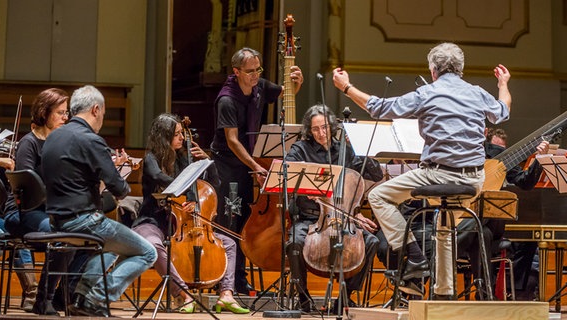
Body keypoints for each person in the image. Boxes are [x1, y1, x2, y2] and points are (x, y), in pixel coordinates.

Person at [333, 42, 512, 298]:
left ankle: (415, 258)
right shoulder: (477, 92)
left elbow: (378, 107)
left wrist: (347, 88)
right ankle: (443, 294)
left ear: (433, 71)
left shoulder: (427, 94)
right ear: (461, 70)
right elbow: (503, 110)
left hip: (439, 174)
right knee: (444, 225)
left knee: (378, 196)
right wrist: (503, 83)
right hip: (474, 180)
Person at [41, 85, 157, 317]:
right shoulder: (91, 140)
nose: (102, 118)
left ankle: (82, 299)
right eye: (102, 114)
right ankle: (96, 298)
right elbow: (120, 189)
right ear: (96, 109)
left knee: (111, 249)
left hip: (56, 220)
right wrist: (118, 171)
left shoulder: (53, 137)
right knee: (148, 253)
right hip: (84, 222)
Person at [131, 113, 249, 314]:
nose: (182, 138)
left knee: (228, 243)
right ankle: (183, 295)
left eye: (181, 133)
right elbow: (158, 177)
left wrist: (207, 163)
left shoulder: (184, 158)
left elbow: (214, 186)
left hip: (184, 224)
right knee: (153, 245)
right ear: (164, 136)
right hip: (154, 221)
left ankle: (227, 295)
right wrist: (186, 193)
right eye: (176, 134)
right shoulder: (151, 158)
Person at [210, 47, 304, 294]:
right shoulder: (227, 100)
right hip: (227, 165)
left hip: (248, 165)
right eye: (250, 71)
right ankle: (224, 280)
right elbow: (232, 140)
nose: (255, 75)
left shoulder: (260, 86)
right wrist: (255, 165)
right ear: (237, 72)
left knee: (244, 222)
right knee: (229, 221)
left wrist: (297, 83)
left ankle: (238, 279)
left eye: (258, 70)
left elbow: (286, 95)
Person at [285, 105, 383, 312]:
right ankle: (303, 298)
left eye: (325, 128)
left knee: (372, 242)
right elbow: (286, 173)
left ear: (332, 127)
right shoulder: (301, 149)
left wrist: (359, 146)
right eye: (315, 129)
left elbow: (376, 175)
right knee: (294, 243)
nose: (321, 133)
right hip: (311, 220)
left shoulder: (345, 151)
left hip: (345, 220)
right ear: (309, 131)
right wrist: (305, 186)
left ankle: (344, 298)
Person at [457, 127, 549, 299]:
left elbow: (525, 182)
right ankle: (485, 293)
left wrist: (539, 159)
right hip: (464, 220)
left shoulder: (500, 158)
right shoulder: (457, 151)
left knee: (487, 229)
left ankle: (448, 247)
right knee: (481, 233)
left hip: (490, 222)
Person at [3, 88, 71, 315]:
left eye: (66, 112)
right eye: (60, 112)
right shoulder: (28, 144)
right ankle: (44, 299)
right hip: (22, 213)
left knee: (81, 236)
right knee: (63, 237)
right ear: (45, 112)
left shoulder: (61, 144)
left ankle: (63, 296)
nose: (65, 117)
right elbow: (28, 187)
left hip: (48, 212)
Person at [0, 156, 39, 313]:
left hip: (2, 216)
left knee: (18, 237)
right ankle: (32, 294)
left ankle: (32, 295)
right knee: (11, 239)